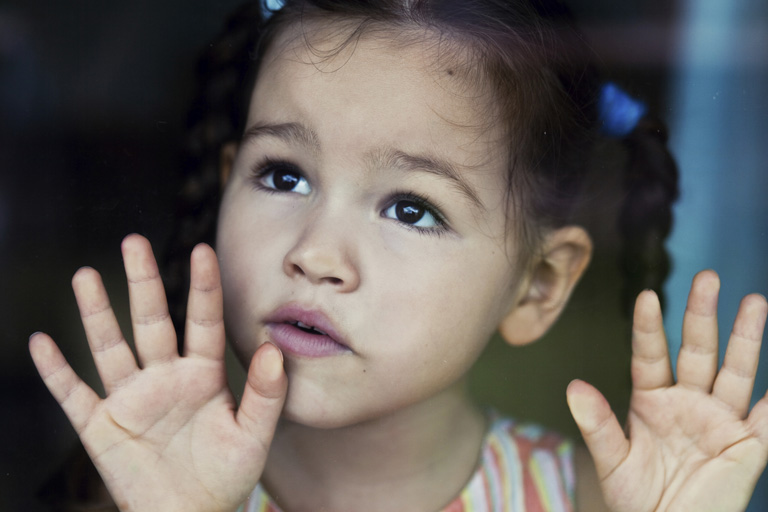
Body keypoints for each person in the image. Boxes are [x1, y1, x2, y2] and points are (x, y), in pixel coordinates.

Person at [28, 0, 768, 510]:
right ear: (227, 185)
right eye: (283, 175)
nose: (316, 254)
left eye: (412, 209)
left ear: (537, 286)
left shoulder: (581, 499)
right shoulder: (145, 483)